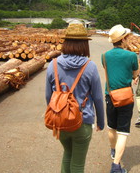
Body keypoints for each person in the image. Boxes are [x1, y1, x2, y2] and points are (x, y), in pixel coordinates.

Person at [45, 22, 105, 173]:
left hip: (60, 122)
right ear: (85, 44)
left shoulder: (53, 65)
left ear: (66, 42)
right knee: (78, 163)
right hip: (82, 122)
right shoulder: (90, 67)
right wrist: (101, 122)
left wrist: (57, 113)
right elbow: (98, 98)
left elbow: (48, 96)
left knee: (67, 154)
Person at [102, 24, 138, 173]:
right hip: (125, 97)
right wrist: (131, 76)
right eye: (127, 37)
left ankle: (112, 150)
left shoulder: (104, 55)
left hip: (110, 96)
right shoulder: (131, 56)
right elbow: (135, 75)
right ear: (123, 40)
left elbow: (108, 71)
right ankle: (116, 166)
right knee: (123, 131)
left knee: (112, 127)